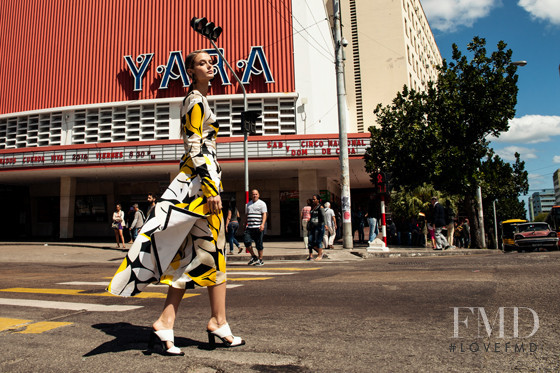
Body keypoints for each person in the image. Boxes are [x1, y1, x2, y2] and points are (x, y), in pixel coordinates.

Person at [107, 50, 244, 356]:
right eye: (201, 63)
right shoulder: (195, 100)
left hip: (199, 185)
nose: (210, 65)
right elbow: (193, 144)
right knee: (213, 251)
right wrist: (210, 188)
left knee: (204, 255)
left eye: (211, 62)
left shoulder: (200, 99)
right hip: (199, 189)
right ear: (191, 72)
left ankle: (174, 322)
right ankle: (214, 322)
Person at [244, 189, 268, 266]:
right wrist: (245, 223)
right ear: (251, 195)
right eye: (253, 194)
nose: (254, 196)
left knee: (259, 244)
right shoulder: (248, 204)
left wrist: (262, 224)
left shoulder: (262, 204)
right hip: (250, 227)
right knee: (246, 242)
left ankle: (260, 259)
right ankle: (254, 256)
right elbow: (247, 214)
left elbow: (264, 214)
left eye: (256, 194)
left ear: (258, 195)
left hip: (258, 227)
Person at [307, 194, 327, 260]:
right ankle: (310, 255)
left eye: (314, 199)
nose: (313, 200)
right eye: (312, 199)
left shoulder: (320, 207)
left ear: (318, 200)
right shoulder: (313, 207)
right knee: (310, 241)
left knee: (318, 241)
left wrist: (325, 225)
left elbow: (324, 216)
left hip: (319, 226)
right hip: (312, 226)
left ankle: (319, 255)